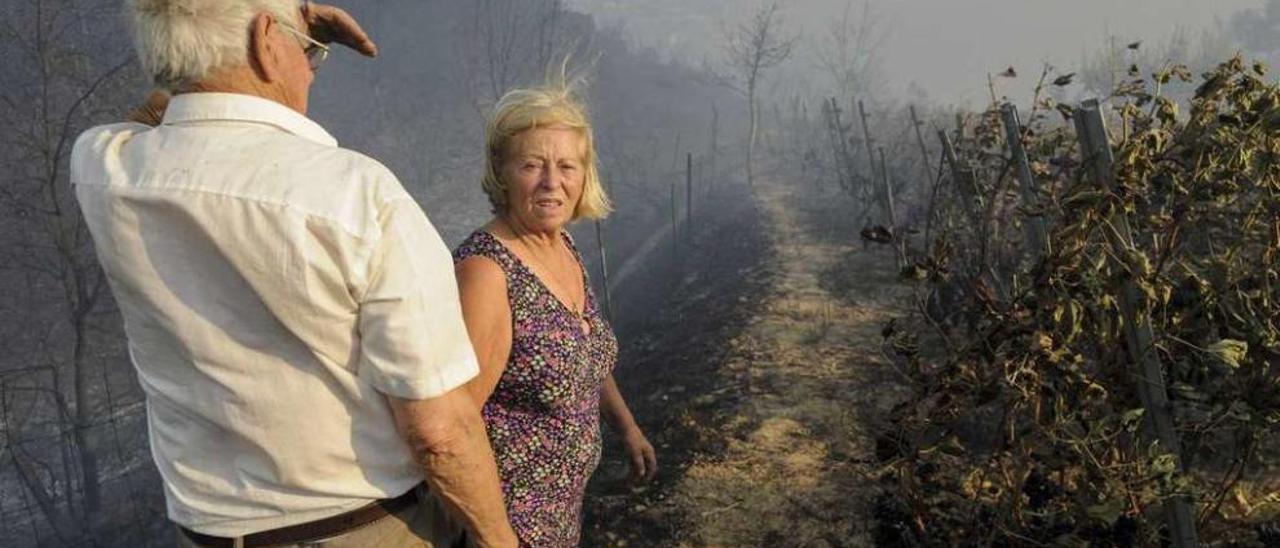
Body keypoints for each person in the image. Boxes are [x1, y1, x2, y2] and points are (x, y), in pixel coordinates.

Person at [71, 1, 516, 546]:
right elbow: (439, 431)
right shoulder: (360, 197)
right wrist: (500, 539)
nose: (310, 70)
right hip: (366, 527)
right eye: (311, 55)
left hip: (206, 533)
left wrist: (202, 45)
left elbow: (167, 114)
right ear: (265, 40)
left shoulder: (102, 169)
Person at [453, 79, 658, 547]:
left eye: (567, 166)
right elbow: (456, 422)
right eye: (532, 165)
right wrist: (493, 535)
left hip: (561, 515)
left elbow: (583, 349)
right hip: (507, 525)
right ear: (501, 172)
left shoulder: (560, 244)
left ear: (585, 176)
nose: (552, 182)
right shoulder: (486, 272)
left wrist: (626, 427)